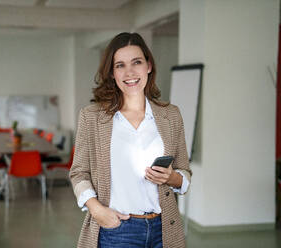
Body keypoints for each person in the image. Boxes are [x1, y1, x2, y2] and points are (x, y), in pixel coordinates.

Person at [69, 32, 192, 248]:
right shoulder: (92, 117)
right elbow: (79, 173)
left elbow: (184, 172)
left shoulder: (170, 115)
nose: (130, 72)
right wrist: (97, 210)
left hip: (164, 229)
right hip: (117, 229)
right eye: (120, 65)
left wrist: (172, 177)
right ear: (112, 73)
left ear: (149, 66)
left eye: (137, 62)